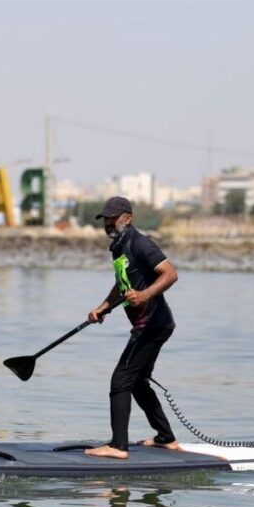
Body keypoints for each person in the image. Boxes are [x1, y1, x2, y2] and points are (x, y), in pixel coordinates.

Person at [85, 196, 179, 459]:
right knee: (137, 382)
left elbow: (170, 273)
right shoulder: (119, 247)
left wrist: (145, 295)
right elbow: (123, 284)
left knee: (121, 381)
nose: (108, 223)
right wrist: (104, 306)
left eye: (113, 218)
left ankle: (118, 446)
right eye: (105, 218)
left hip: (152, 325)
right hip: (150, 325)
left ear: (128, 217)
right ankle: (166, 438)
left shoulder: (140, 243)